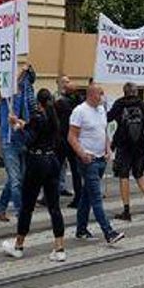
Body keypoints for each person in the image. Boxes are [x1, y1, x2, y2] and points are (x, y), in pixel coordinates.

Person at [2, 88, 67, 261]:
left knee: (27, 206)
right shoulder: (53, 117)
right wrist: (20, 122)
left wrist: (16, 127)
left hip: (37, 162)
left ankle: (19, 245)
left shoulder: (38, 117)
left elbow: (29, 137)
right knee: (54, 206)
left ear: (38, 102)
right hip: (52, 161)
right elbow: (35, 128)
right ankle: (59, 248)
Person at [69, 81, 125, 245]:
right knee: (96, 197)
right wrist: (82, 153)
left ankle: (81, 229)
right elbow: (71, 136)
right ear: (91, 95)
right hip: (88, 160)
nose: (103, 96)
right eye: (100, 93)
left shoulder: (101, 110)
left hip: (101, 158)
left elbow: (104, 131)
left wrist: (108, 149)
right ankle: (109, 232)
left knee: (86, 196)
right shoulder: (79, 111)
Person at [108, 82, 144, 221]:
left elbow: (107, 118)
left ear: (124, 92)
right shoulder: (142, 105)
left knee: (124, 176)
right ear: (136, 92)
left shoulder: (119, 104)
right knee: (139, 174)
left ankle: (126, 211)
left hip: (124, 145)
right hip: (140, 145)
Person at [0, 63, 35, 222]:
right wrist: (19, 73)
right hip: (9, 141)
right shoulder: (7, 97)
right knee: (16, 180)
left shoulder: (26, 96)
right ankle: (21, 213)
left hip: (22, 140)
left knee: (17, 179)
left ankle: (0, 206)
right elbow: (1, 93)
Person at [55, 76, 84, 206]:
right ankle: (78, 197)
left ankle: (50, 196)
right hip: (76, 139)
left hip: (63, 139)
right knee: (76, 171)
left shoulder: (61, 103)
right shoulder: (81, 104)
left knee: (55, 169)